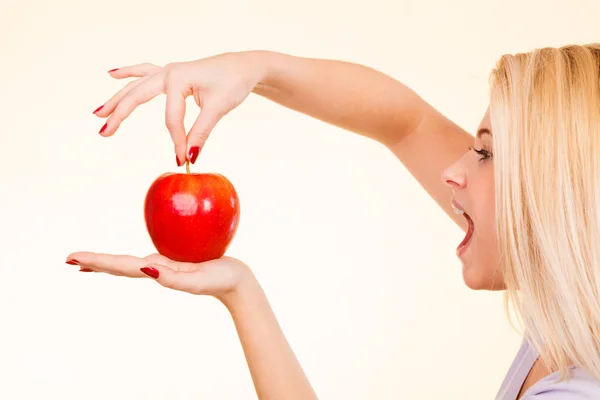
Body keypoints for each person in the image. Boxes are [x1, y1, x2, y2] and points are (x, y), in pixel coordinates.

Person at [67, 44, 600, 399]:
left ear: (562, 191)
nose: (452, 172)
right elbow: (404, 120)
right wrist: (257, 68)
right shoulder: (571, 309)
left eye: (484, 153)